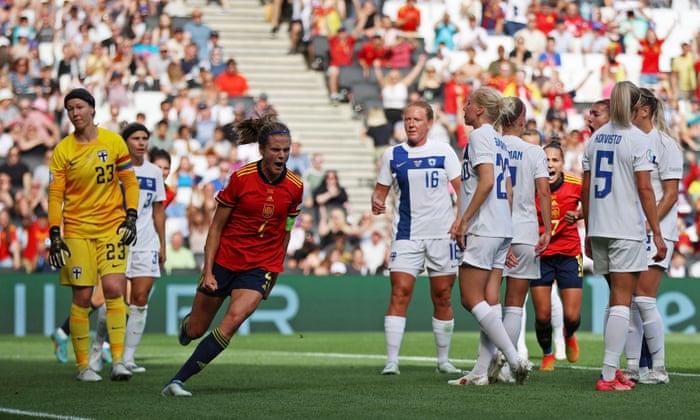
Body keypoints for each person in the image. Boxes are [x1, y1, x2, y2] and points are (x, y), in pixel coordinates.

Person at [161, 115, 303, 397]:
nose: (282, 155)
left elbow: (286, 231)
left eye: (286, 150)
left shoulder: (295, 186)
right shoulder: (240, 179)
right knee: (197, 329)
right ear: (262, 150)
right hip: (226, 260)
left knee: (234, 318)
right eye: (276, 149)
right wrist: (208, 270)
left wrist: (275, 269)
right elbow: (215, 228)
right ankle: (188, 326)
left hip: (260, 265)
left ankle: (177, 381)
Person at [47, 88, 139, 382]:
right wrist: (54, 233)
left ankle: (119, 362)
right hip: (76, 231)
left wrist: (132, 215)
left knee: (114, 289)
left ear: (92, 109)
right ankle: (83, 366)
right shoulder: (63, 150)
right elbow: (55, 195)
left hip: (112, 226)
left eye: (80, 107)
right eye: (70, 109)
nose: (75, 113)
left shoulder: (113, 142)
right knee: (83, 297)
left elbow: (130, 182)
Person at [581, 81, 666, 392]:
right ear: (633, 106)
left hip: (600, 226)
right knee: (621, 301)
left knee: (615, 301)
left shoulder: (594, 139)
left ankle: (612, 369)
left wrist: (589, 232)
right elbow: (645, 188)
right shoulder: (637, 139)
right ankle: (607, 375)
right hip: (625, 228)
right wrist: (657, 232)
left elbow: (585, 189)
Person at [371, 101, 463, 376]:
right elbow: (380, 192)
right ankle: (392, 361)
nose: (411, 123)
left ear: (429, 123)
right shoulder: (392, 155)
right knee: (400, 293)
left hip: (442, 234)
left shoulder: (444, 151)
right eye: (407, 119)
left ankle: (443, 360)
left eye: (417, 119)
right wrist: (376, 201)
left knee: (443, 296)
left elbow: (462, 191)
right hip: (406, 235)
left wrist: (460, 221)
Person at [448, 87, 530, 386]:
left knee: (470, 298)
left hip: (483, 227)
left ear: (480, 109)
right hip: (501, 226)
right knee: (490, 303)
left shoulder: (479, 136)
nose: (464, 109)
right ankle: (481, 372)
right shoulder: (499, 140)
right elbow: (506, 189)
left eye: (468, 104)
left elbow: (484, 182)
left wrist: (464, 220)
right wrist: (505, 229)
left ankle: (513, 357)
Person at [88, 123, 166, 374]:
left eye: (145, 138)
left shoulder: (154, 172)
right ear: (125, 142)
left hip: (146, 242)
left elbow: (158, 211)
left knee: (140, 300)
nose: (141, 142)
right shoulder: (113, 169)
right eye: (136, 138)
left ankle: (126, 359)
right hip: (116, 241)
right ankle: (98, 348)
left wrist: (162, 244)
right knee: (114, 300)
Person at [624, 88, 683, 385]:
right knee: (634, 301)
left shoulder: (665, 144)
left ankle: (659, 367)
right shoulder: (630, 140)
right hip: (633, 230)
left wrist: (650, 225)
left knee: (644, 299)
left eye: (631, 105)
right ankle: (633, 366)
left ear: (644, 109)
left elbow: (670, 194)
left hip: (656, 231)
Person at [498, 97, 551, 375]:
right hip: (525, 230)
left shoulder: (489, 147)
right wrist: (548, 230)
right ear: (522, 118)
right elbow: (543, 191)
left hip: (494, 229)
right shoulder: (534, 152)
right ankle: (507, 365)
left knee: (490, 303)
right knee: (515, 305)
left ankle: (487, 363)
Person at [531, 140, 583, 371]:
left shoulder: (576, 184)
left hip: (569, 252)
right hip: (539, 254)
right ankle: (547, 354)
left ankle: (568, 334)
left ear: (562, 164)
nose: (550, 165)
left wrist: (579, 214)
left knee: (572, 316)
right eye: (546, 160)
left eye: (555, 160)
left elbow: (594, 204)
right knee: (542, 316)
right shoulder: (529, 185)